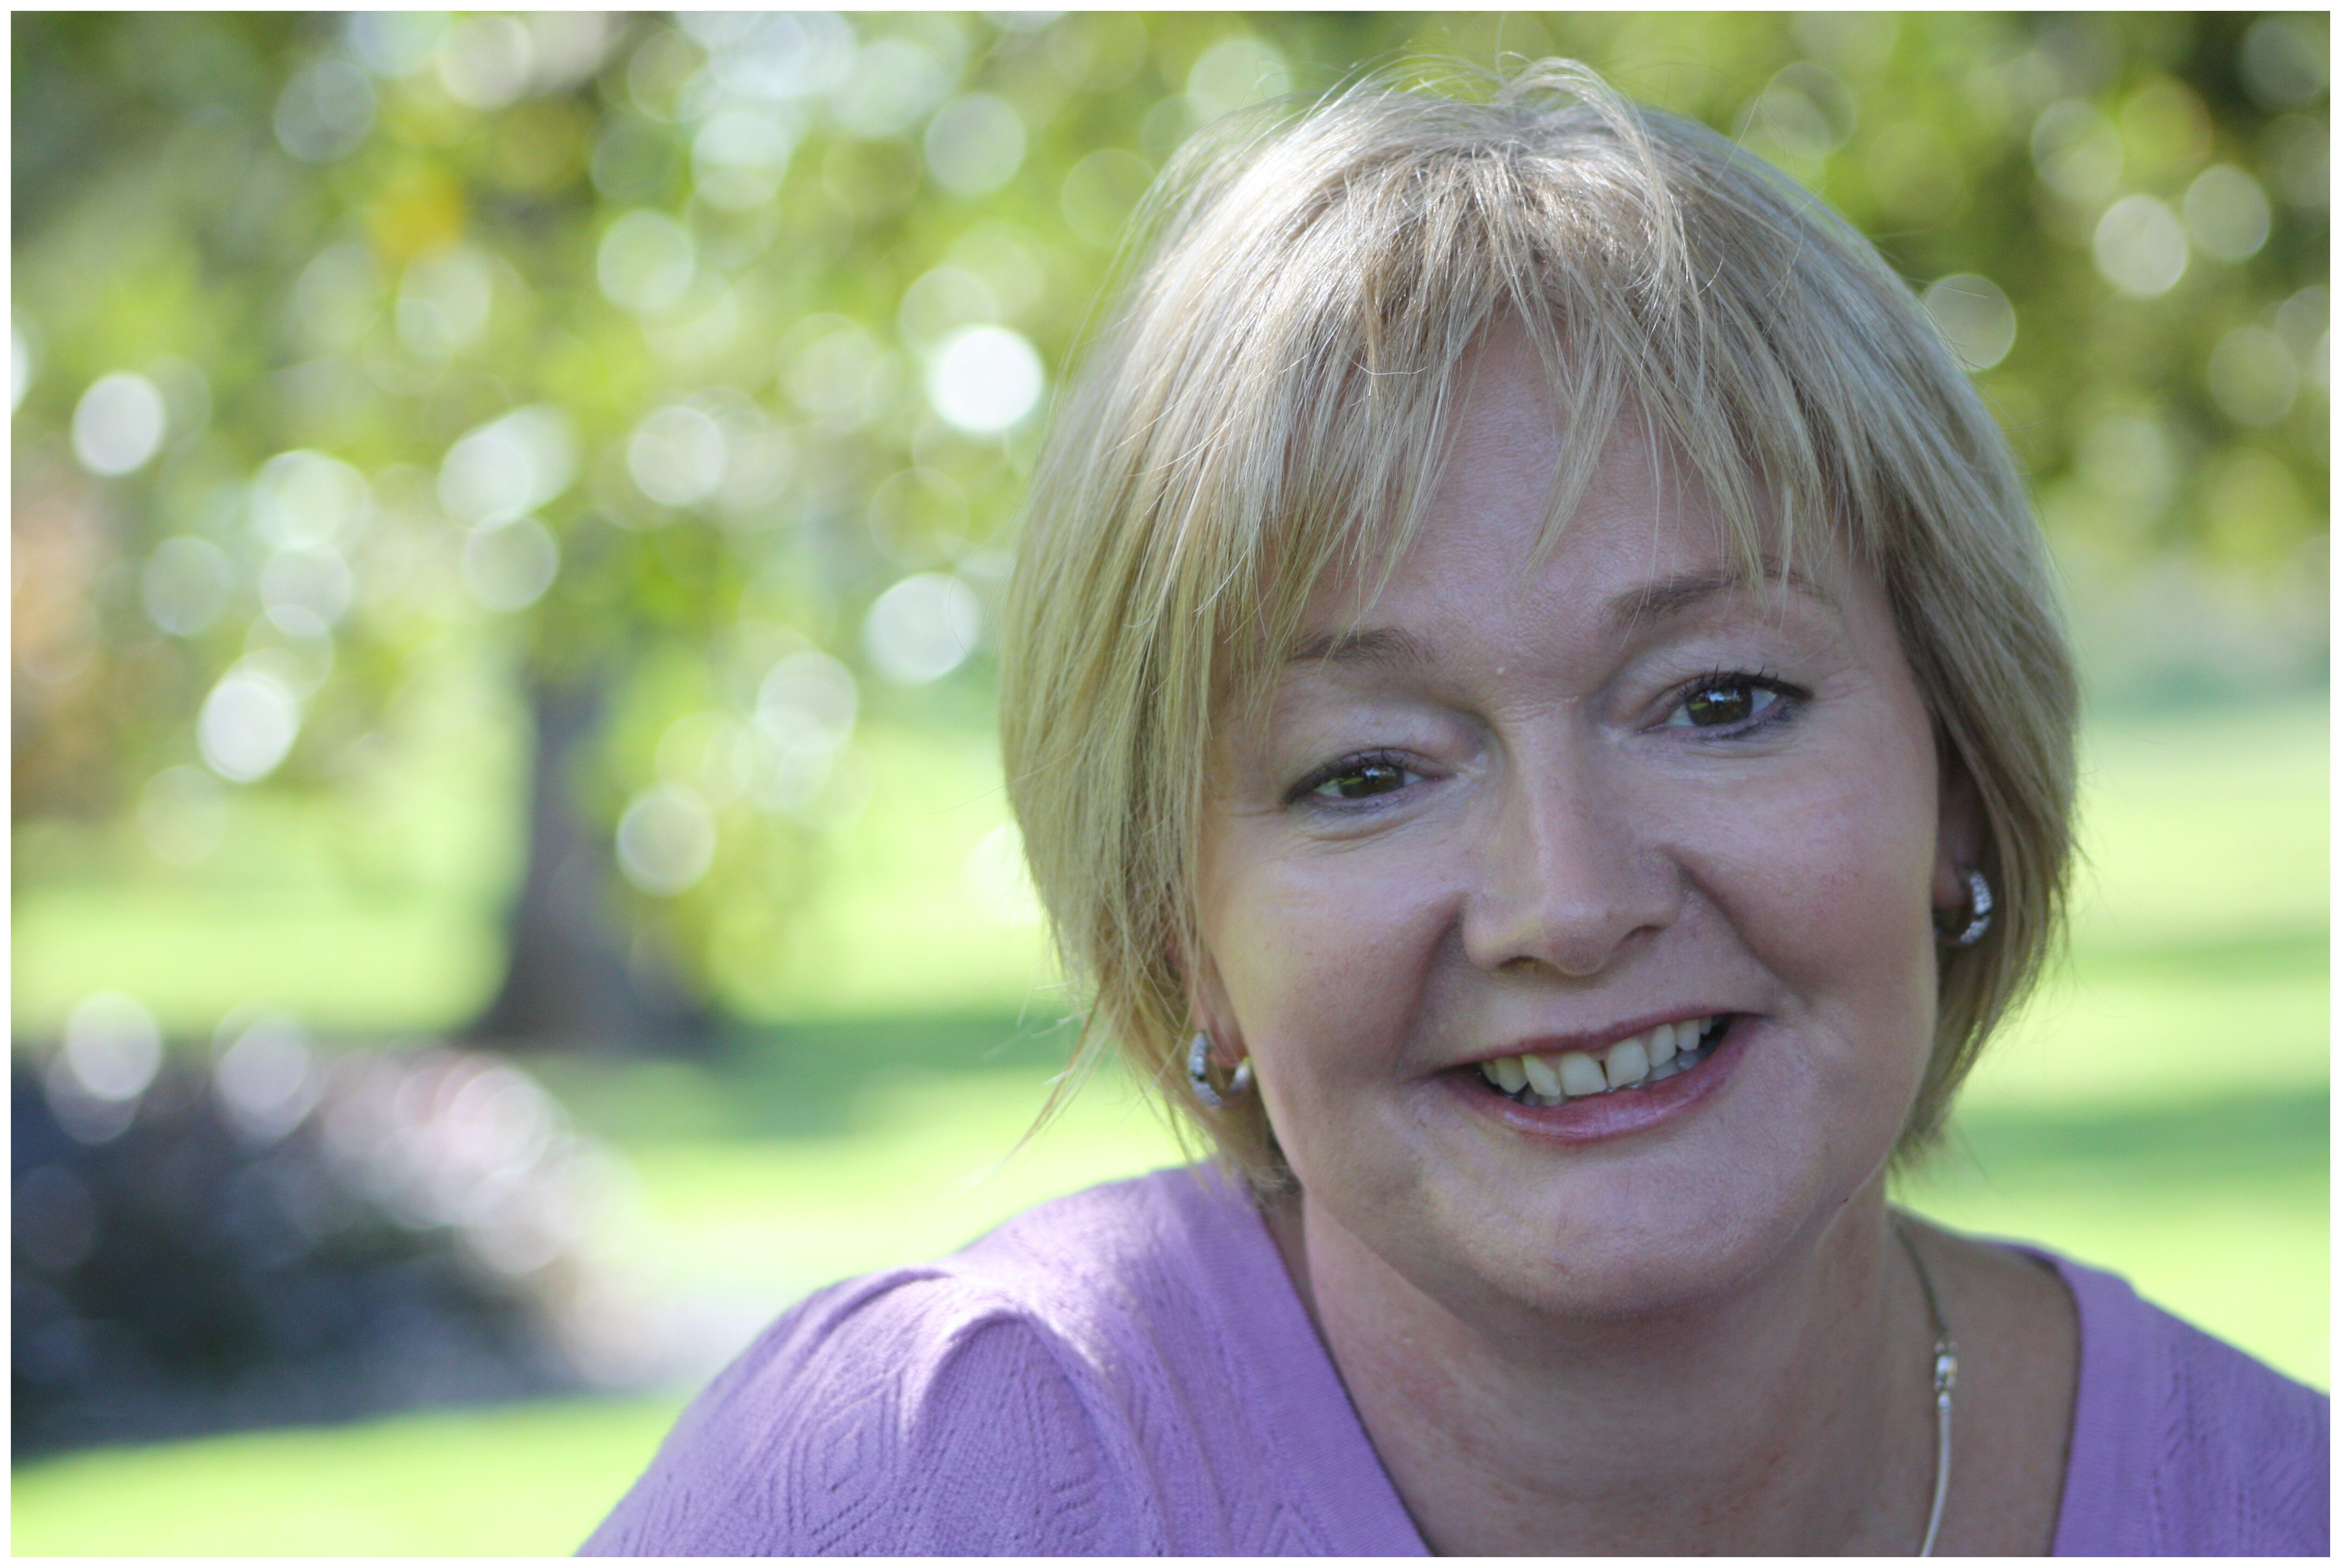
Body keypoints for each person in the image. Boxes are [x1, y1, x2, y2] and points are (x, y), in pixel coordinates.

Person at [583, 61, 2326, 1556]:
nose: (1565, 905)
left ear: (1961, 780)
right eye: (1366, 771)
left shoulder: (2278, 1515)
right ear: (1179, 935)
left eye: (1720, 702)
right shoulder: (920, 1492)